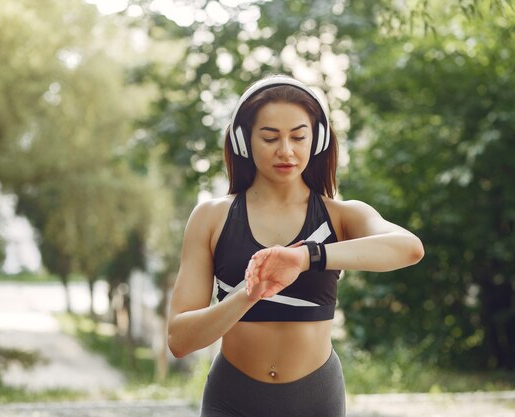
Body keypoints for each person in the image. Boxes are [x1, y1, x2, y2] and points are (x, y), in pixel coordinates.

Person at [167, 74, 424, 417]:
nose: (286, 150)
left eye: (299, 137)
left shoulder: (341, 215)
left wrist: (305, 257)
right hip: (231, 399)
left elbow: (409, 248)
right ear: (243, 142)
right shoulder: (211, 217)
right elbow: (180, 340)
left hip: (315, 399)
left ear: (316, 140)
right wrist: (250, 293)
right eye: (270, 137)